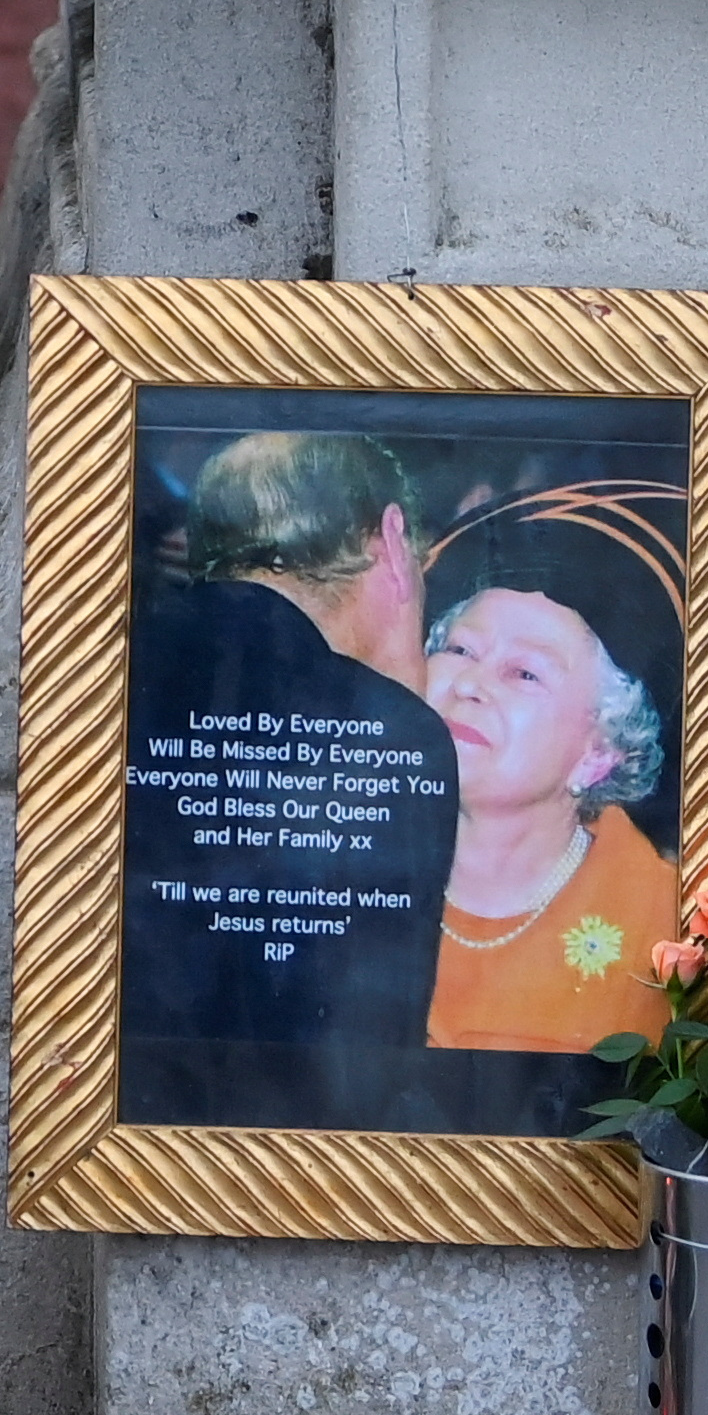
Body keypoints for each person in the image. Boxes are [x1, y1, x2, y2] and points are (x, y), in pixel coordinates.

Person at [111, 429, 459, 1128]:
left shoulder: (115, 668)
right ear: (390, 539)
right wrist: (393, 703)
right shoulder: (394, 730)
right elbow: (370, 1045)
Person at [418, 507, 683, 1055]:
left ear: (600, 752)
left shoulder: (665, 925)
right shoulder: (337, 865)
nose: (469, 683)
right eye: (460, 649)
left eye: (524, 673)